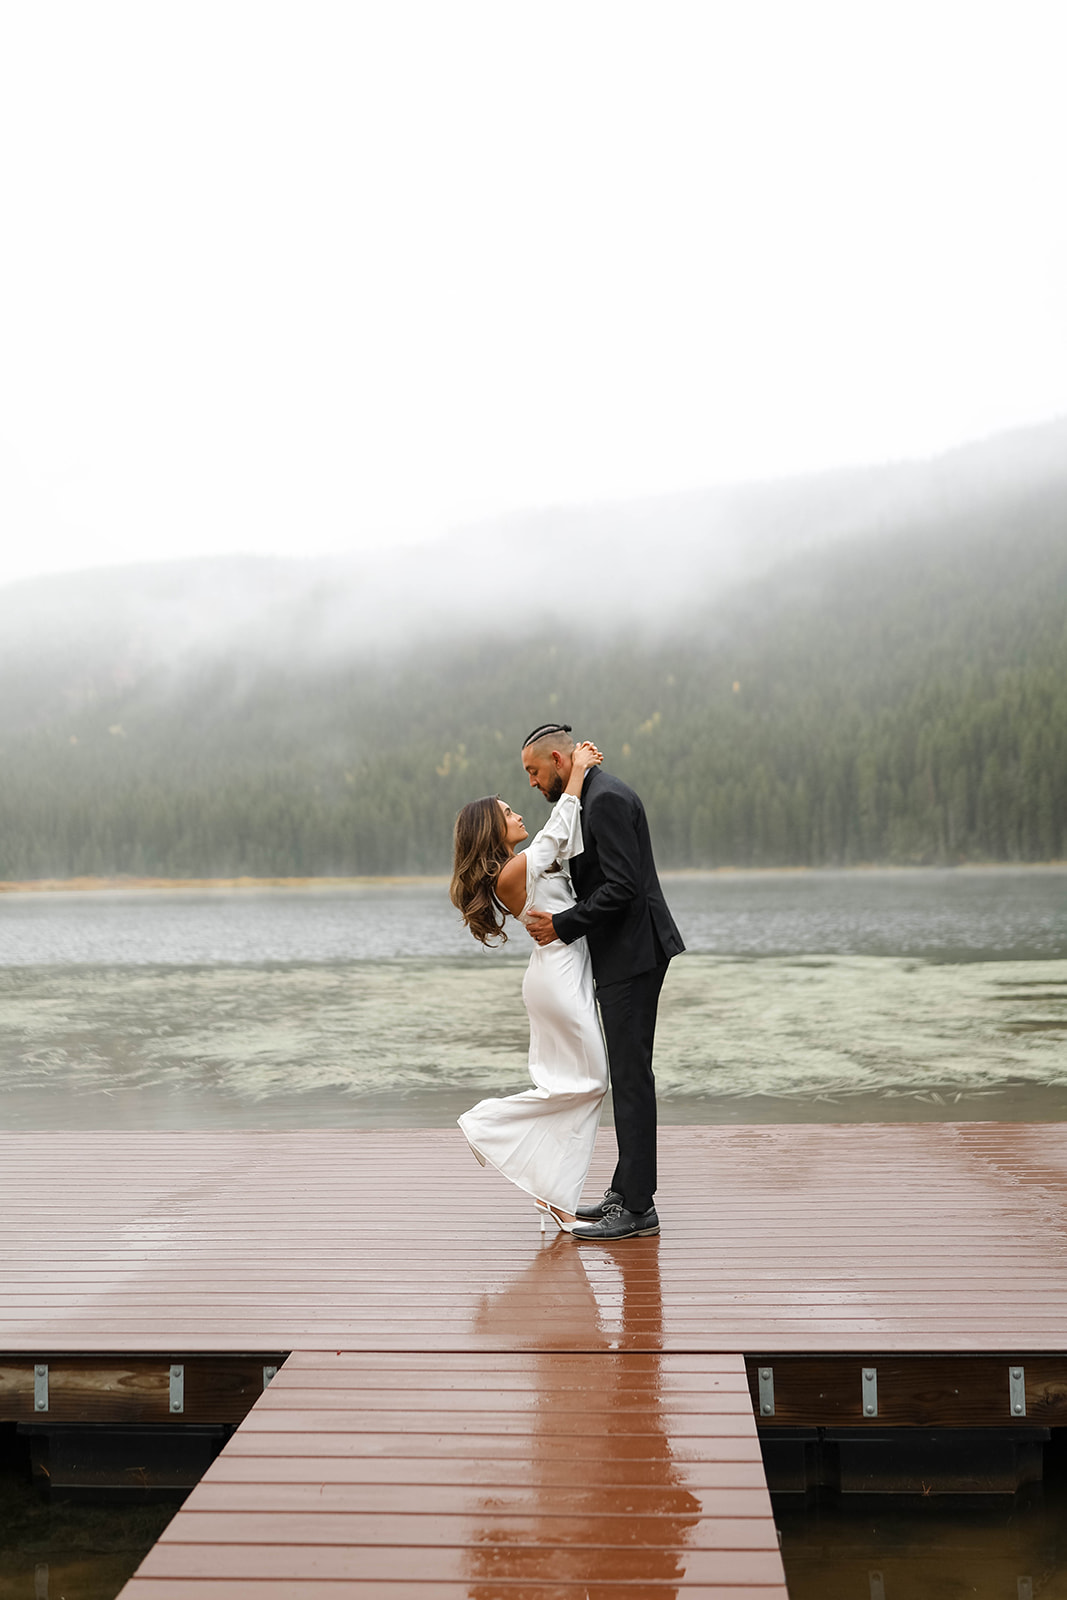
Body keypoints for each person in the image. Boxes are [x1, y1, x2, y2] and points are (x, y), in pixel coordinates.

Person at [522, 722, 684, 1241]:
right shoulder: (587, 796)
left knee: (632, 1078)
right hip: (623, 956)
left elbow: (622, 886)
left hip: (634, 955)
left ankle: (638, 1209)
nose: (531, 782)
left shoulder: (607, 800)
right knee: (628, 1075)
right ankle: (626, 1189)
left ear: (556, 759)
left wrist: (562, 925)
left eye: (533, 771)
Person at [451, 740, 608, 1233]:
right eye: (507, 812)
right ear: (491, 831)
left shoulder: (523, 866)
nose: (518, 813)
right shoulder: (513, 872)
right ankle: (486, 1124)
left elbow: (564, 841)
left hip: (562, 971)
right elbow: (559, 829)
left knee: (574, 1086)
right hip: (558, 976)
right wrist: (578, 770)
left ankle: (554, 1197)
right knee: (592, 1081)